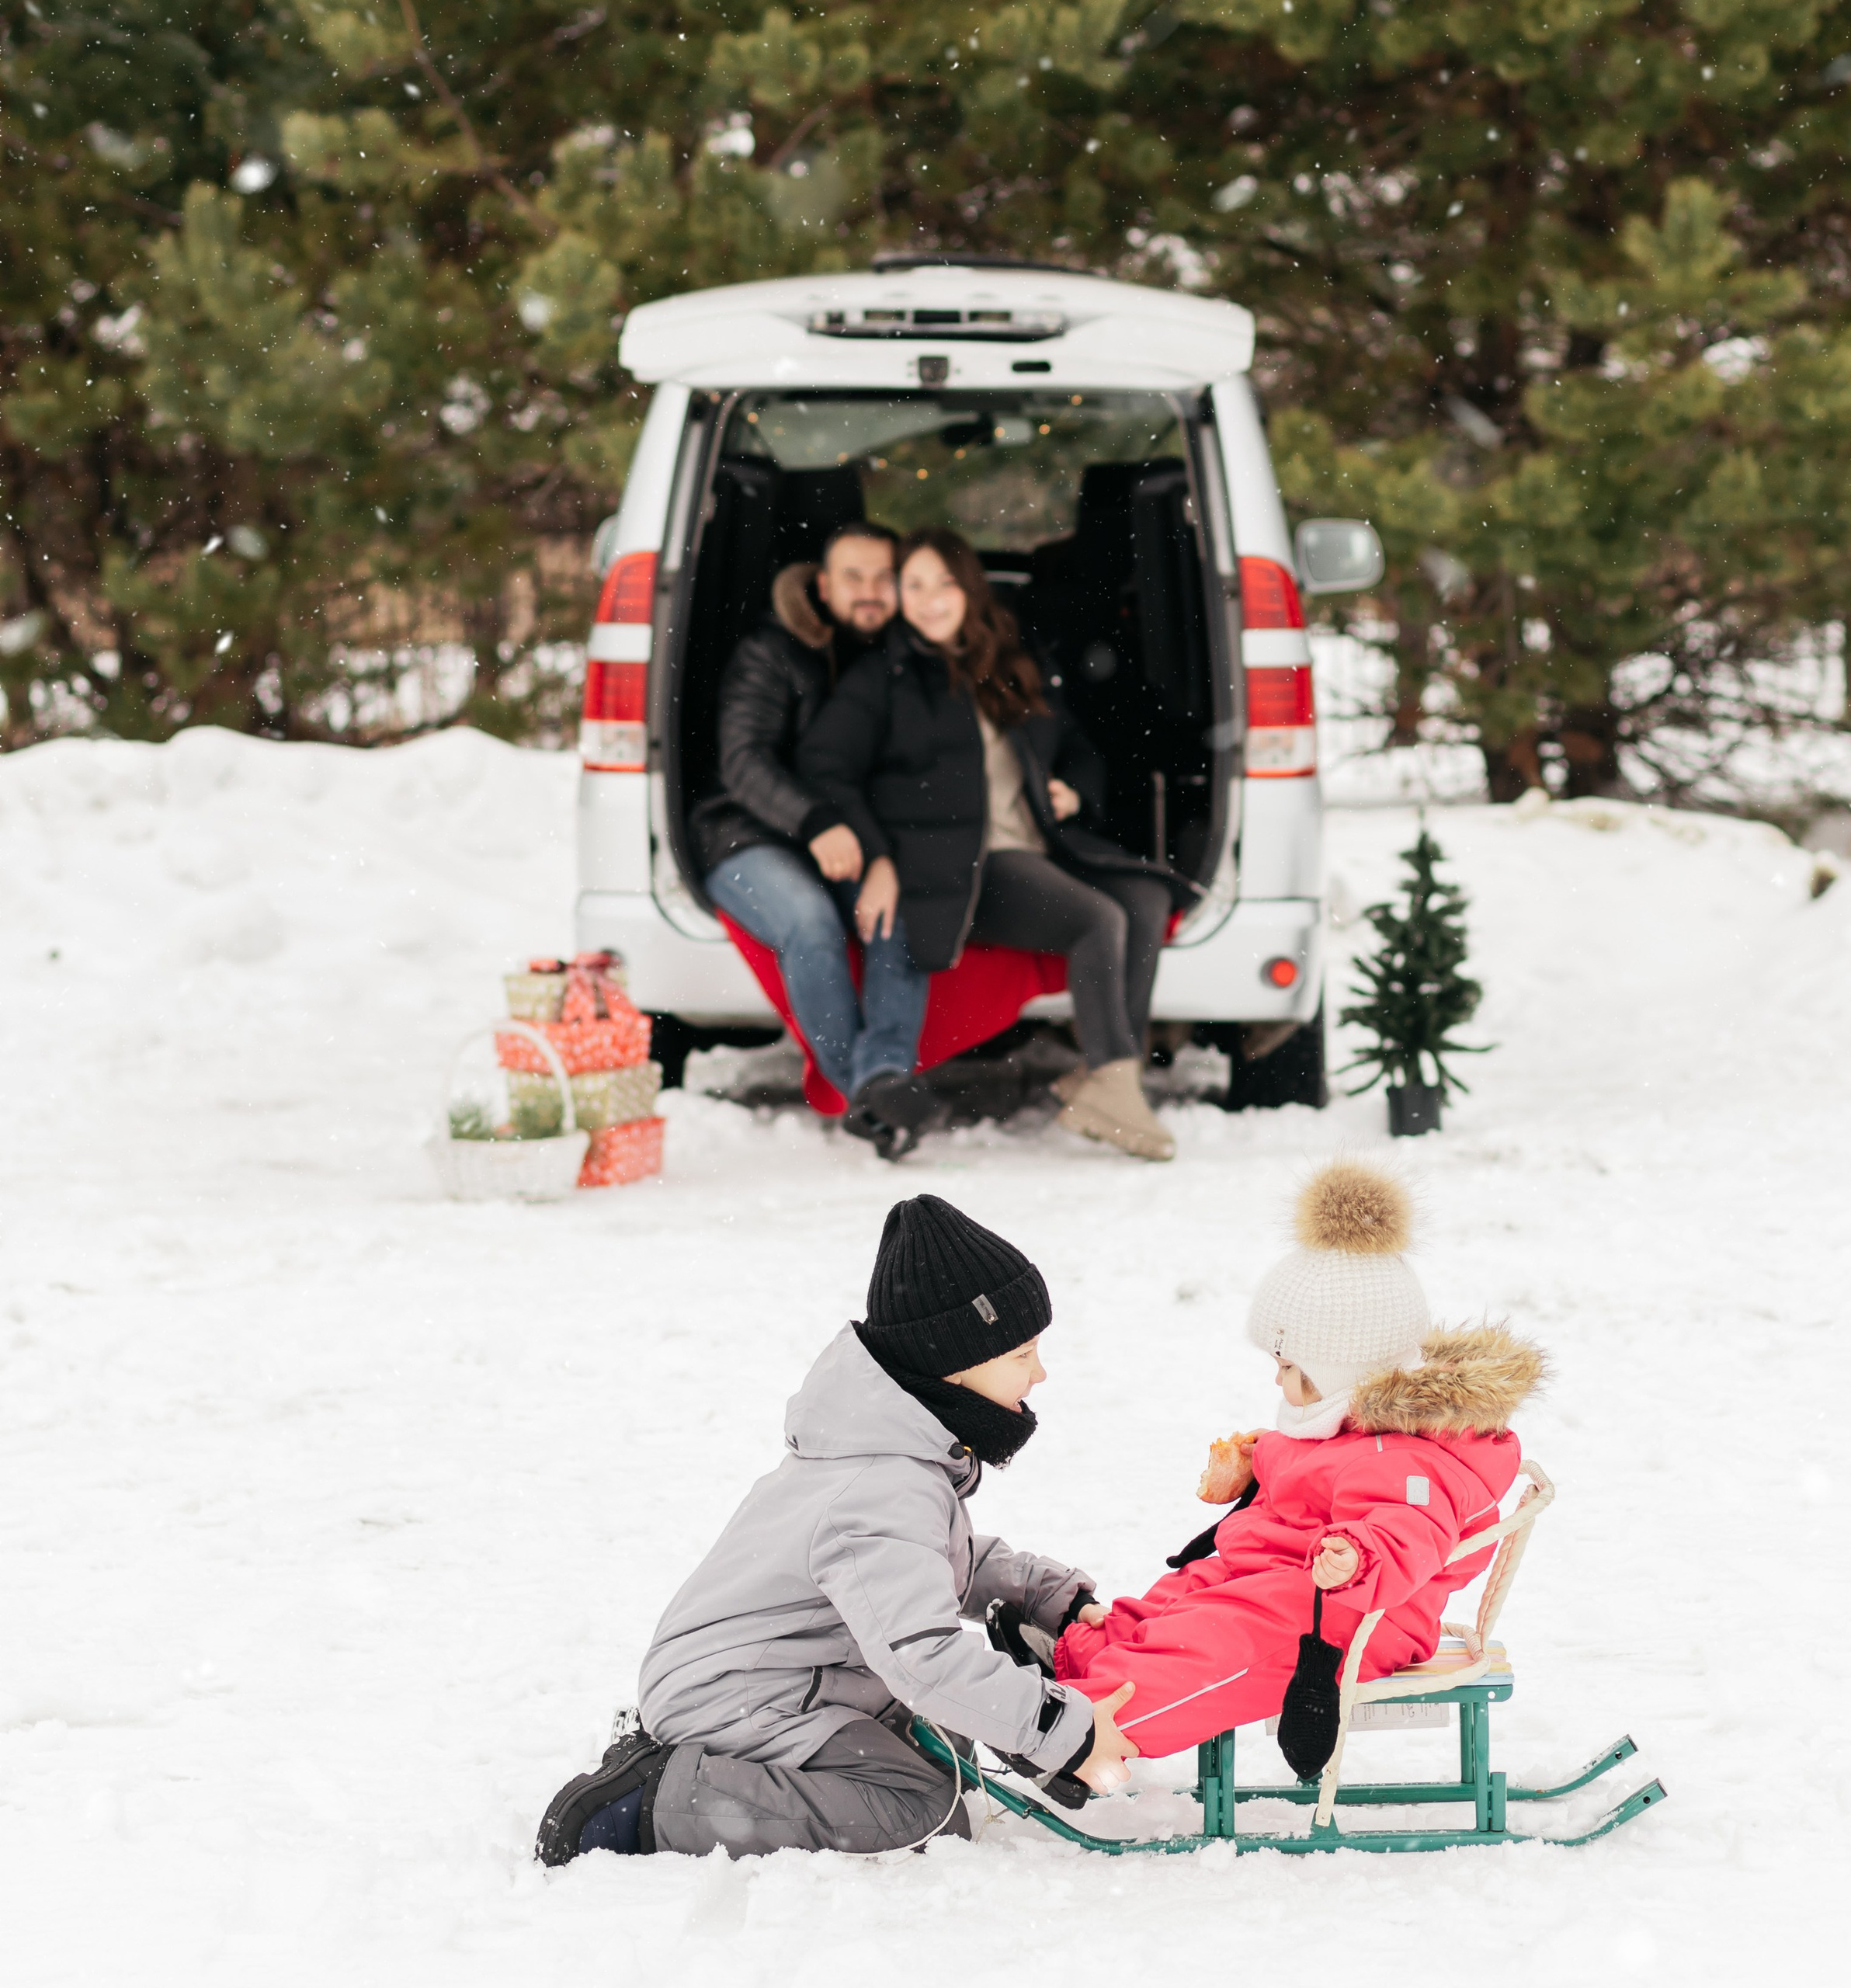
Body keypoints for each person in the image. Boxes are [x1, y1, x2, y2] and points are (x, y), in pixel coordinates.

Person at [533, 1194, 1138, 1863]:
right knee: (921, 1810)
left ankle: (703, 1762)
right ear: (957, 1363)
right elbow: (925, 1658)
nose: (1040, 1373)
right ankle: (651, 1801)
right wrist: (1067, 1732)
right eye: (1023, 1353)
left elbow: (930, 1561)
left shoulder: (886, 1449)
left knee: (952, 1742)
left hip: (777, 1672)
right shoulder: (882, 1485)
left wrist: (1040, 1593)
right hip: (735, 1692)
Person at [1049, 1160, 1545, 1769]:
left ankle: (1086, 1728)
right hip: (1282, 1576)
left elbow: (1408, 1531)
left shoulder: (1412, 1461)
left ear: (1339, 1370)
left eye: (1287, 1366)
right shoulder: (1354, 1428)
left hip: (1357, 1616)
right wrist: (1259, 1460)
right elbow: (1317, 1468)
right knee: (1180, 1598)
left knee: (1210, 1641)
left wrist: (1359, 1556)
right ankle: (1067, 1666)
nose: (1277, 1378)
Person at [796, 527, 1198, 1163]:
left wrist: (1073, 790)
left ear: (969, 590)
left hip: (1042, 840)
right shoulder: (884, 678)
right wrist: (874, 853)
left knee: (1146, 898)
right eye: (914, 585)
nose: (930, 600)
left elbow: (1074, 742)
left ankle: (1105, 1077)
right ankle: (1113, 1082)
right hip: (963, 865)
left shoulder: (1006, 662)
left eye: (944, 584)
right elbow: (824, 766)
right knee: (1097, 920)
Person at [689, 521, 941, 1159]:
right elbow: (743, 760)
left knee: (899, 910)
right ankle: (867, 1096)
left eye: (883, 578)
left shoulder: (903, 658)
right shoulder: (771, 651)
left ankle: (885, 1073)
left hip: (846, 834)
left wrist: (886, 853)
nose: (870, 591)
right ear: (823, 587)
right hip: (744, 830)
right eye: (853, 577)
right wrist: (816, 821)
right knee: (810, 922)